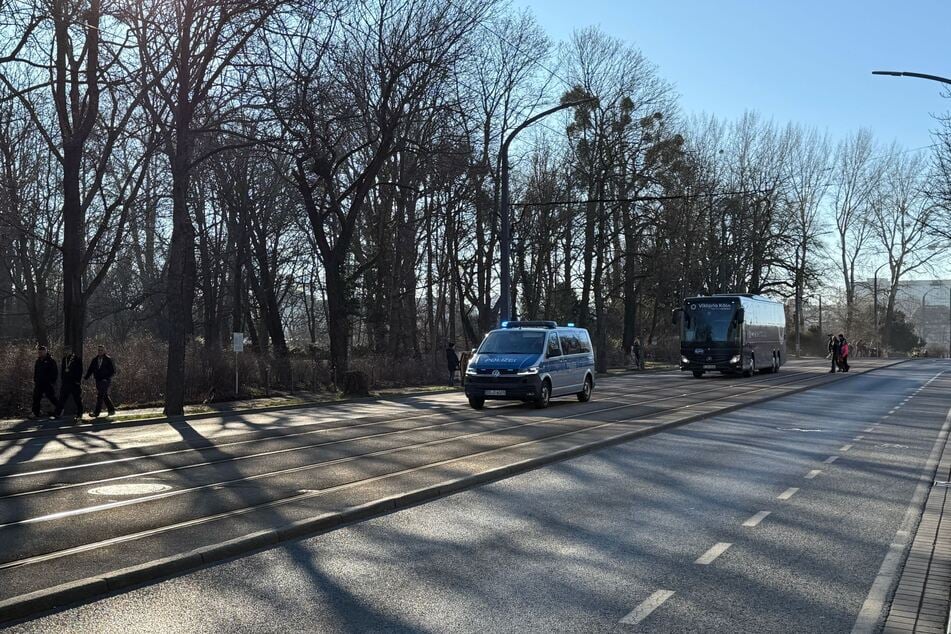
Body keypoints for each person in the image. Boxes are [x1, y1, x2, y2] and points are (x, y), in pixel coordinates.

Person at [85, 344, 116, 417]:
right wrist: (86, 377)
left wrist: (107, 377)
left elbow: (113, 371)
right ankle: (111, 409)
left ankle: (96, 412)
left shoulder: (108, 359)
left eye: (101, 350)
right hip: (98, 380)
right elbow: (90, 370)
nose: (100, 351)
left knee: (100, 395)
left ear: (104, 350)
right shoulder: (95, 360)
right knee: (104, 395)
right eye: (99, 350)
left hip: (105, 380)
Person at [31, 345, 60, 418]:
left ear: (45, 352)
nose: (40, 354)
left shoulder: (51, 361)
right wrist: (35, 379)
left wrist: (52, 381)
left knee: (51, 397)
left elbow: (55, 372)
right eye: (39, 352)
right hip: (39, 383)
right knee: (36, 398)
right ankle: (35, 413)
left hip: (47, 383)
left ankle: (60, 408)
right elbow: (36, 371)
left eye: (42, 352)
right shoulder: (38, 361)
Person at [56, 349, 83, 420]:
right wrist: (63, 379)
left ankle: (80, 413)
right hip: (66, 382)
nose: (66, 352)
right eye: (65, 351)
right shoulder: (64, 359)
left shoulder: (76, 359)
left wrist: (78, 380)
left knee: (77, 399)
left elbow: (80, 370)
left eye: (67, 351)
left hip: (74, 383)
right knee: (62, 398)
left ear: (71, 351)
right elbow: (63, 370)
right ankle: (58, 413)